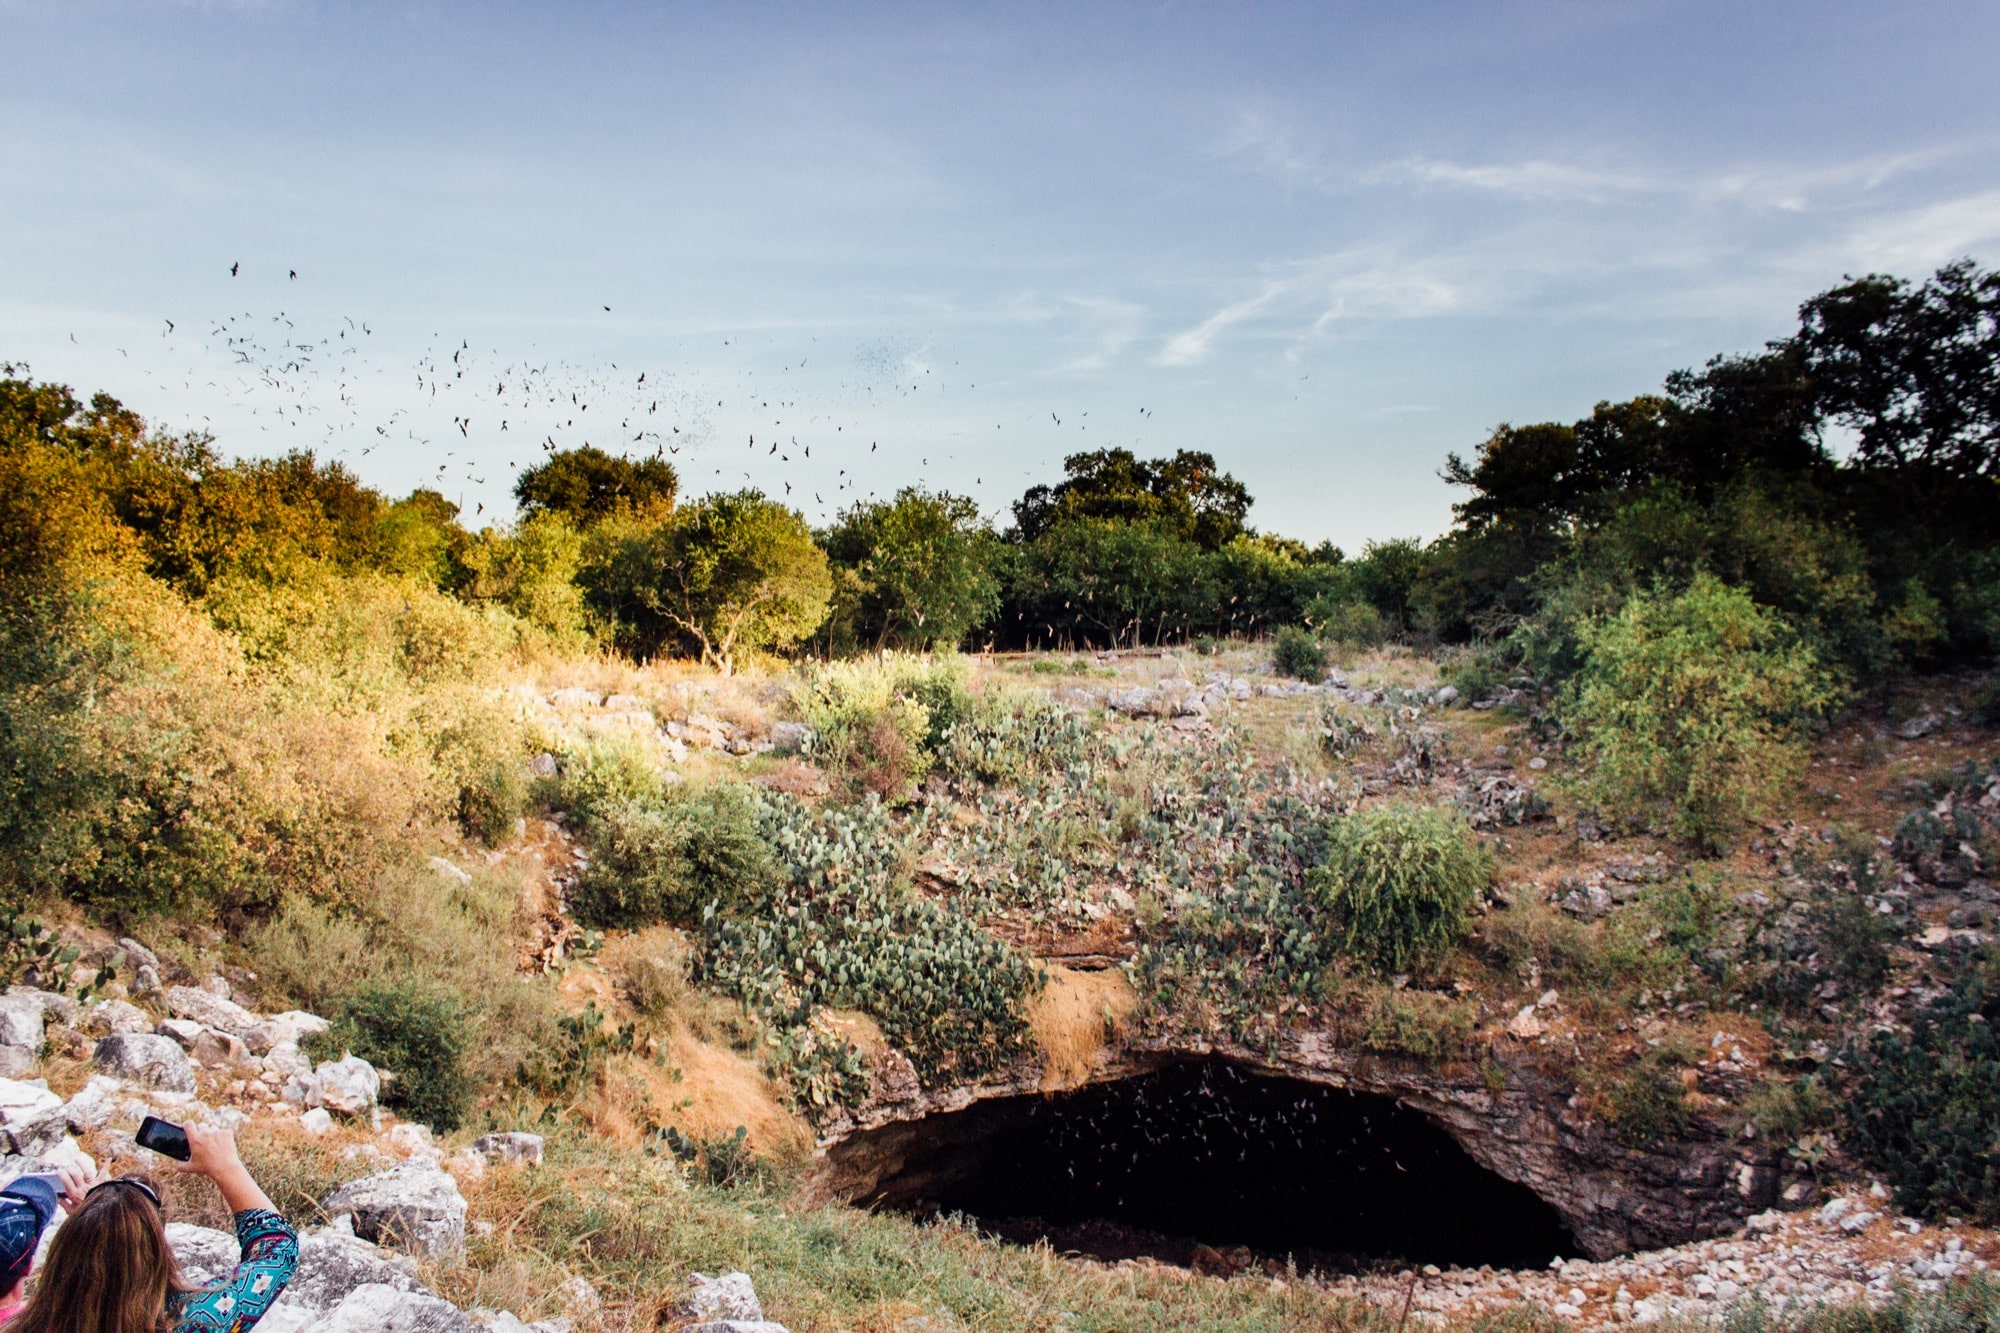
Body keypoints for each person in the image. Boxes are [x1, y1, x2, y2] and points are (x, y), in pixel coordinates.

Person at [5, 1124, 298, 1333]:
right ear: (155, 1255)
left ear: (63, 1253)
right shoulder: (197, 1320)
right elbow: (277, 1252)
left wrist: (96, 1223)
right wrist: (226, 1167)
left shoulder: (17, 1323)